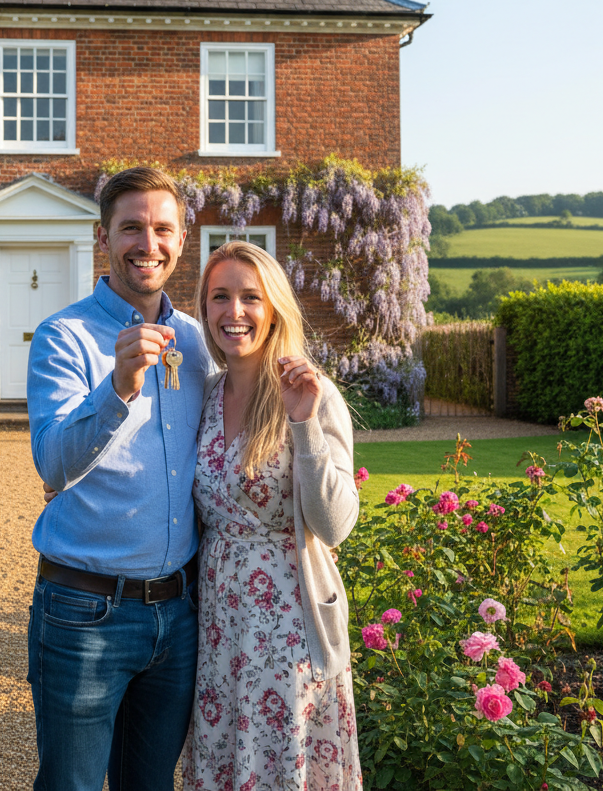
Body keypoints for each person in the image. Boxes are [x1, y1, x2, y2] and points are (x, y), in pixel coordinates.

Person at [26, 167, 214, 791]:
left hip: (179, 612)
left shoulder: (195, 337)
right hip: (85, 611)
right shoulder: (65, 336)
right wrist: (119, 387)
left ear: (182, 240)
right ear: (102, 235)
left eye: (163, 229)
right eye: (131, 227)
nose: (148, 243)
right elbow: (53, 463)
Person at [182, 240, 362, 791]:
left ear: (274, 307)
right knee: (222, 758)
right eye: (219, 297)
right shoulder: (205, 395)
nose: (234, 313)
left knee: (282, 764)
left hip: (288, 624)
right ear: (204, 308)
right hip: (216, 626)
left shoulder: (311, 392)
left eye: (249, 298)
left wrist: (304, 425)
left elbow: (334, 526)